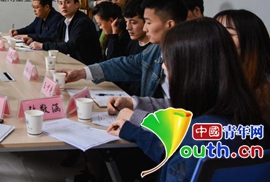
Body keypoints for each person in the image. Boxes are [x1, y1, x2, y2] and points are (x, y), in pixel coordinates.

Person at [107, 18, 268, 182]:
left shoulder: (201, 135)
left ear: (191, 69)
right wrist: (134, 132)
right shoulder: (245, 113)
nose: (163, 66)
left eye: (169, 60)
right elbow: (177, 154)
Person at [60, 0, 188, 98]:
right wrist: (81, 73)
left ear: (169, 24)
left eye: (148, 23)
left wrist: (135, 105)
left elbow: (175, 109)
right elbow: (124, 65)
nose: (145, 28)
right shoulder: (155, 50)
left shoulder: (188, 58)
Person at [214, 9, 270, 122]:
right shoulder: (213, 77)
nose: (218, 39)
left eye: (229, 34)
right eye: (215, 34)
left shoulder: (265, 85)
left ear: (251, 40)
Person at [29, 0, 101, 65]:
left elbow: (71, 46)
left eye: (67, 2)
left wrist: (42, 46)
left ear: (77, 5)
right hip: (68, 61)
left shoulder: (82, 22)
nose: (63, 6)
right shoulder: (63, 21)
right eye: (60, 3)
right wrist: (32, 38)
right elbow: (54, 38)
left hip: (84, 64)